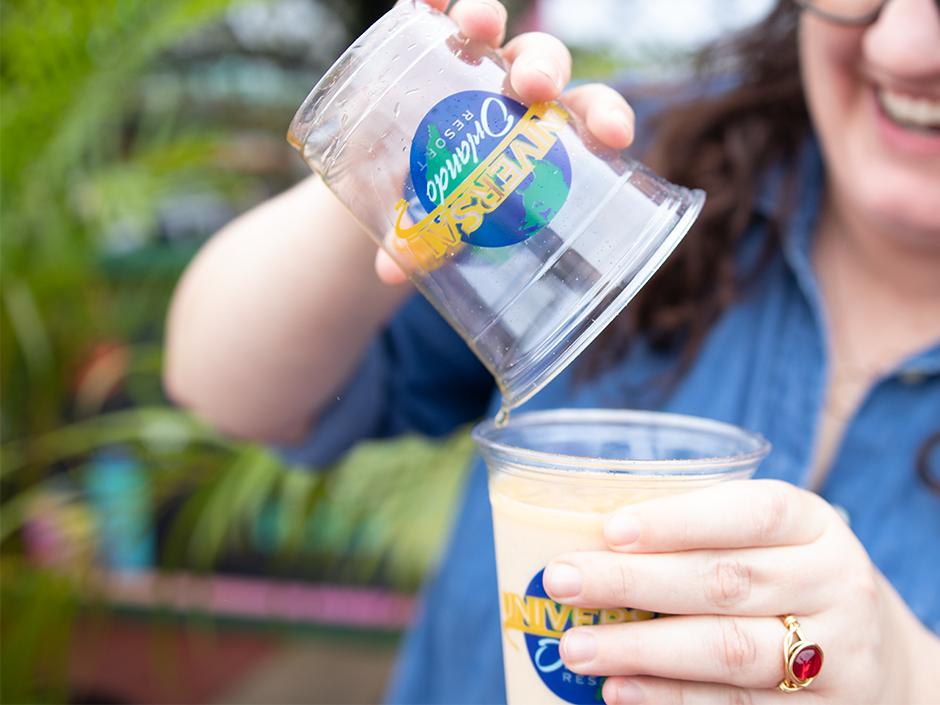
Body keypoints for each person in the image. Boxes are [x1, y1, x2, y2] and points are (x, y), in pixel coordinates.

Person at [164, 0, 940, 702]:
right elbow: (224, 383)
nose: (905, 44)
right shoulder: (636, 156)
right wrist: (396, 156)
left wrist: (907, 676)